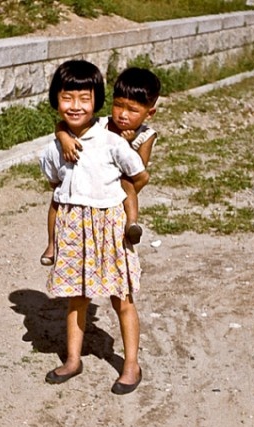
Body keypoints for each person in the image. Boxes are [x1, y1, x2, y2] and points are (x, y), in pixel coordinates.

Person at [39, 59, 150, 395]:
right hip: (74, 228)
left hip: (110, 226)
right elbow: (54, 182)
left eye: (84, 99)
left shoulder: (112, 141)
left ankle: (130, 364)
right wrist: (62, 136)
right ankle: (73, 359)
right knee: (77, 297)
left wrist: (121, 201)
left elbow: (140, 174)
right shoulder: (54, 147)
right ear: (56, 100)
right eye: (67, 98)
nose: (75, 106)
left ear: (97, 101)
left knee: (122, 297)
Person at [40, 67, 160, 266]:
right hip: (91, 176)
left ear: (150, 113)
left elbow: (139, 168)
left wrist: (127, 145)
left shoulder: (147, 136)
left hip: (119, 182)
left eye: (132, 110)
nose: (123, 115)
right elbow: (62, 125)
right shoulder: (103, 123)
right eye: (118, 106)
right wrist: (64, 138)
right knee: (58, 198)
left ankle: (132, 224)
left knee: (126, 184)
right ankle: (52, 244)